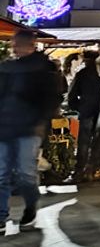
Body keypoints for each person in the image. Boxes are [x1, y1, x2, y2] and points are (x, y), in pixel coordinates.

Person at [0, 29, 61, 230]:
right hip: (6, 127)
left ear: (30, 45)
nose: (14, 48)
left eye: (17, 44)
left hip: (28, 128)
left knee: (25, 174)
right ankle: (1, 216)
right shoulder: (7, 68)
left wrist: (40, 122)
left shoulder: (43, 69)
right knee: (3, 173)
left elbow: (51, 99)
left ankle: (30, 206)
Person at [67, 50, 100, 182]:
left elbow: (72, 94)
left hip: (87, 110)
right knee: (98, 142)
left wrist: (78, 107)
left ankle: (80, 170)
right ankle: (93, 169)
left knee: (84, 142)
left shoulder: (82, 74)